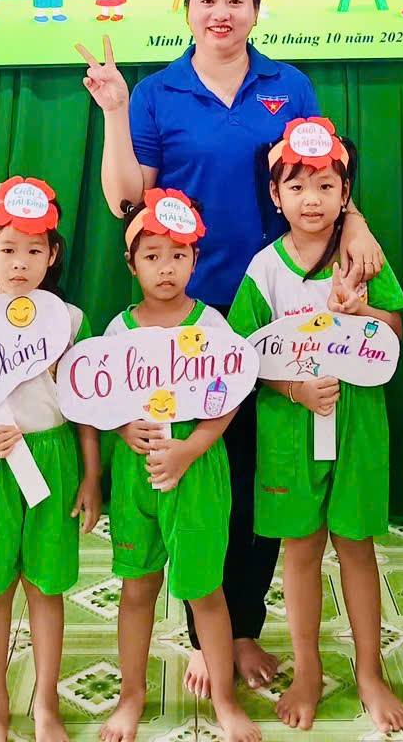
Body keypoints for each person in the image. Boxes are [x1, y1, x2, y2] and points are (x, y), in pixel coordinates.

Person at [75, 0, 388, 695]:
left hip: (277, 307)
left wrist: (356, 224)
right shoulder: (158, 93)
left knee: (255, 474)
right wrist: (115, 111)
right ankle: (203, 633)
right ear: (187, 10)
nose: (222, 12)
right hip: (190, 311)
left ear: (255, 10)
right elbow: (127, 200)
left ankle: (239, 628)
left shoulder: (289, 85)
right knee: (200, 474)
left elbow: (320, 174)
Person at [227, 117, 403, 736]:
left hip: (358, 426)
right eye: (297, 186)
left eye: (327, 186)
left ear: (345, 193)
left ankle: (369, 673)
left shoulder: (363, 257)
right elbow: (245, 356)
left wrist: (362, 313)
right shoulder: (264, 269)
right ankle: (307, 672)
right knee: (301, 552)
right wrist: (294, 389)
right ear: (275, 194)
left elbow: (394, 333)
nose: (312, 199)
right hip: (290, 427)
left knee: (356, 549)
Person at [99, 191, 259, 742]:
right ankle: (132, 695)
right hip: (136, 475)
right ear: (132, 264)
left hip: (197, 473)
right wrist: (124, 429)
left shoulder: (211, 324)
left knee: (205, 592)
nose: (165, 267)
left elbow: (230, 396)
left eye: (177, 255)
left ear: (195, 260)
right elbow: (103, 398)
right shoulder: (118, 331)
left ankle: (225, 701)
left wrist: (193, 447)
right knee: (137, 589)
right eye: (152, 256)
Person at [0, 177, 102, 742]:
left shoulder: (71, 321)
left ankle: (46, 704)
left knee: (46, 587)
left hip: (55, 458)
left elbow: (86, 406)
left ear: (52, 256)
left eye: (34, 250)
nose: (20, 262)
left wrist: (91, 474)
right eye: (8, 249)